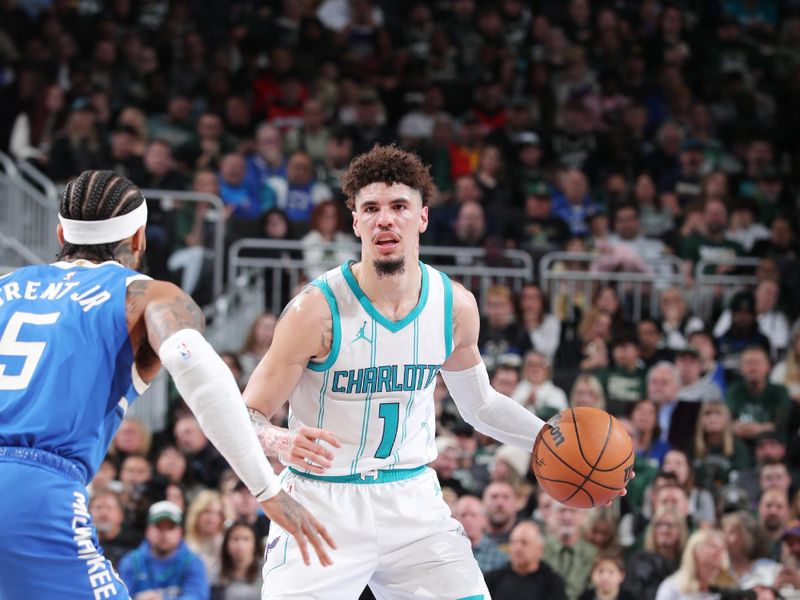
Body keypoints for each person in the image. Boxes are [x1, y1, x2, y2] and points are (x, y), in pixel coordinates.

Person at [243, 146, 628, 597]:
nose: (384, 219)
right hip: (322, 502)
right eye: (370, 209)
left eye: (399, 207)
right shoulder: (315, 312)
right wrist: (280, 440)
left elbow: (480, 406)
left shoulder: (454, 307)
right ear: (355, 223)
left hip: (411, 503)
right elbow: (244, 415)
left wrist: (559, 446)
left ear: (422, 218)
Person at [0, 170, 333, 599]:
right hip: (33, 494)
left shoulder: (7, 285)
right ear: (139, 238)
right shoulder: (146, 296)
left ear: (60, 232)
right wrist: (266, 488)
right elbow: (195, 368)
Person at [117, 500, 210, 599]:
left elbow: (197, 596)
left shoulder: (193, 562)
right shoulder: (131, 562)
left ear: (180, 532)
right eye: (159, 526)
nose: (164, 533)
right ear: (147, 530)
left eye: (170, 527)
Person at [484, 521, 567, 600]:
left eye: (524, 543)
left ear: (540, 549)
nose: (517, 548)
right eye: (513, 542)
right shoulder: (493, 579)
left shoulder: (552, 583)